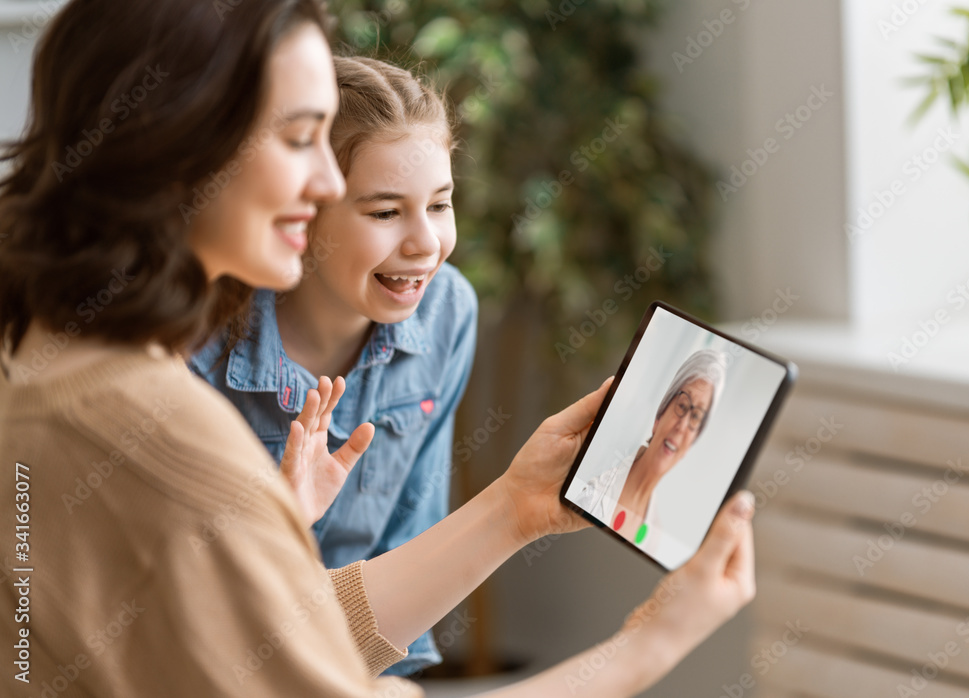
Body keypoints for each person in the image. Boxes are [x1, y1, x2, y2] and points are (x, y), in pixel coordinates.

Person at [0, 2, 756, 697]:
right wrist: (653, 640)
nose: (326, 178)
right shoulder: (155, 425)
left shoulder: (61, 355)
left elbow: (257, 652)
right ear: (183, 145)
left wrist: (515, 508)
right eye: (300, 138)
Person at [189, 55, 476, 675]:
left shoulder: (449, 311)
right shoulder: (196, 340)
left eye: (440, 205)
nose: (425, 242)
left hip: (354, 669)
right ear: (305, 210)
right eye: (384, 211)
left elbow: (413, 543)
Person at [576, 350, 728, 546]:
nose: (682, 427)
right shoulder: (592, 493)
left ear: (692, 442)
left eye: (696, 417)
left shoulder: (654, 537)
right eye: (682, 406)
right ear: (659, 416)